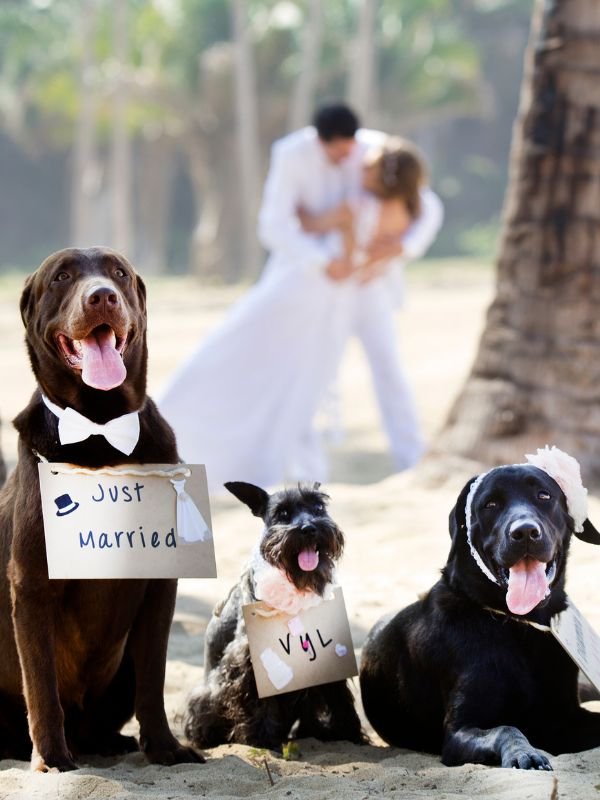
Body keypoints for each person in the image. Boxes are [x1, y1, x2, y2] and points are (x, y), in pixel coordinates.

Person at [158, 104, 443, 490]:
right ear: (319, 140)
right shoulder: (291, 154)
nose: (348, 159)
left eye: (351, 149)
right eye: (338, 152)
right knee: (306, 374)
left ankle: (412, 458)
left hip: (368, 287)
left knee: (388, 367)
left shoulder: (377, 152)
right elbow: (276, 225)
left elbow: (427, 207)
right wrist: (322, 261)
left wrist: (396, 250)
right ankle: (309, 472)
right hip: (315, 282)